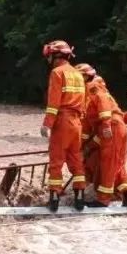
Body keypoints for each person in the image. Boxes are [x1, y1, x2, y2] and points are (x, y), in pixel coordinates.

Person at [40, 40, 87, 212]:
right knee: (76, 160)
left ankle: (54, 199)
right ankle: (79, 197)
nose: (48, 60)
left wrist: (47, 124)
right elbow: (84, 101)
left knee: (56, 160)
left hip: (63, 121)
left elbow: (54, 103)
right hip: (77, 123)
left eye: (49, 56)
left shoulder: (57, 73)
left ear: (55, 55)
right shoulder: (78, 74)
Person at [84, 79, 127, 208]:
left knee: (108, 163)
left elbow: (102, 108)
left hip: (111, 126)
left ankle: (103, 200)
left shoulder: (93, 88)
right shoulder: (97, 93)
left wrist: (106, 124)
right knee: (117, 163)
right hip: (115, 127)